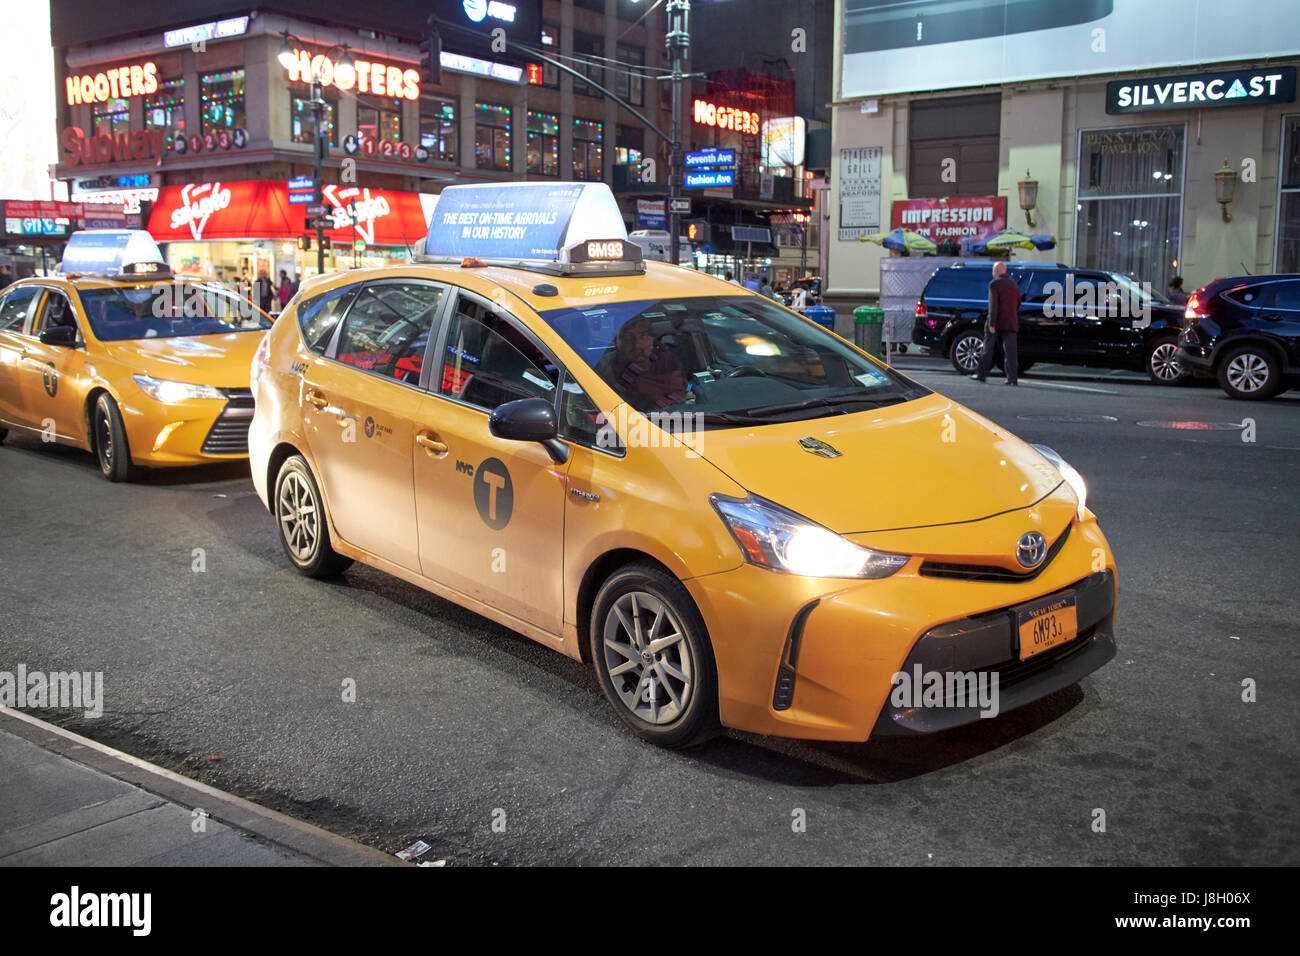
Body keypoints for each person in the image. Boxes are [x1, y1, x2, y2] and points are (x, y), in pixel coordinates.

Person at [594, 316, 688, 411]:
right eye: (628, 338)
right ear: (616, 340)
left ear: (652, 339)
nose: (637, 345)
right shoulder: (606, 372)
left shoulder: (667, 361)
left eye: (643, 336)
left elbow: (688, 388)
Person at [974, 260, 1021, 385]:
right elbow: (1018, 303)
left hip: (996, 321)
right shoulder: (1013, 284)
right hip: (1011, 321)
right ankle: (1012, 378)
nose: (992, 272)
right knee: (1010, 351)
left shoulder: (994, 284)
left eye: (993, 270)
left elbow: (993, 305)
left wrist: (992, 324)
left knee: (988, 348)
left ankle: (981, 374)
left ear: (996, 271)